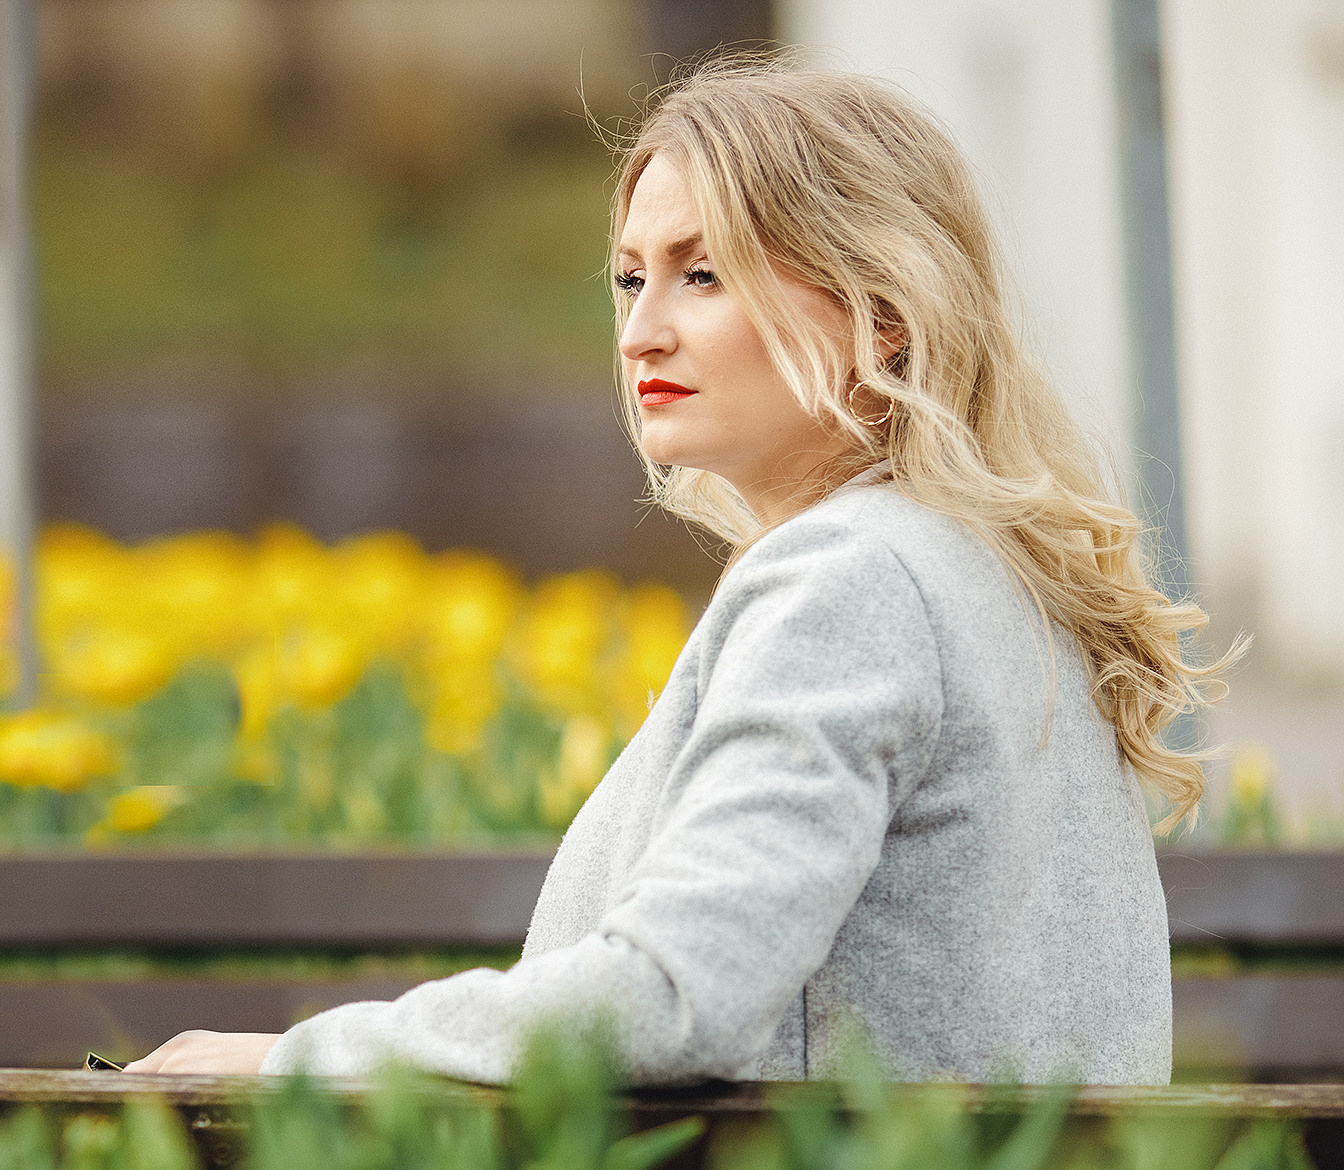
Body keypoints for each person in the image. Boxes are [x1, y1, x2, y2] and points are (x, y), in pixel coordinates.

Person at [125, 60, 1232, 1085]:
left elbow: (674, 993)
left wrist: (300, 1062)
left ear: (880, 316)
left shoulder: (852, 581)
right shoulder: (987, 575)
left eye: (702, 274)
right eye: (628, 278)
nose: (639, 332)